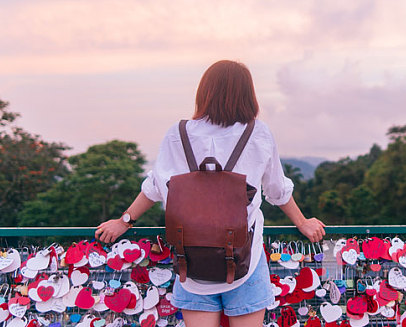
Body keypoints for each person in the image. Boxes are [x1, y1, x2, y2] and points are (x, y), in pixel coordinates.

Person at [95, 60, 326, 327]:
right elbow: (277, 189)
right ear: (247, 95)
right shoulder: (258, 133)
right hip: (244, 258)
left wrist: (124, 221)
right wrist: (302, 222)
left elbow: (155, 186)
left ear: (204, 93)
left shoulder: (177, 133)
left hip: (191, 260)